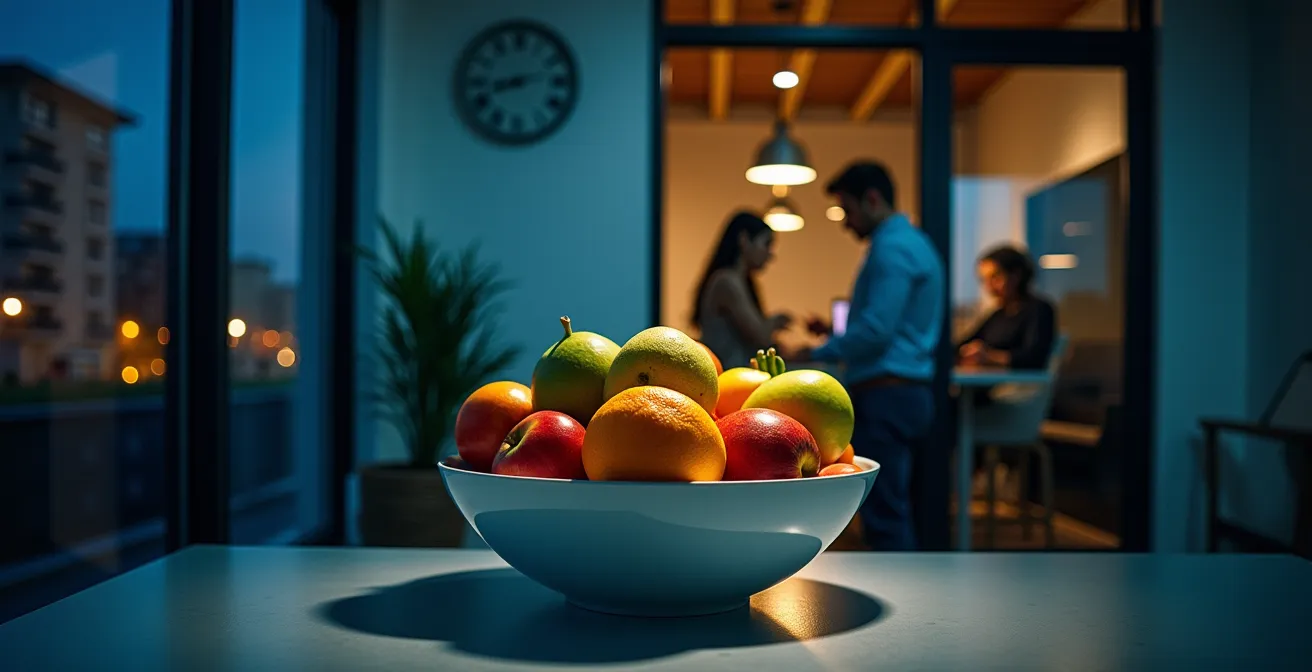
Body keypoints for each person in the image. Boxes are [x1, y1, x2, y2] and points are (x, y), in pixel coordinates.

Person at [799, 161, 945, 551]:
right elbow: (894, 326)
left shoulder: (891, 249)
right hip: (908, 392)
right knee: (902, 507)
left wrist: (816, 351)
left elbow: (878, 332)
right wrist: (835, 335)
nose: (846, 223)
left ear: (873, 199)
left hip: (887, 395)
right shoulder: (916, 243)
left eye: (847, 210)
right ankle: (918, 601)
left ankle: (904, 608)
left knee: (885, 515)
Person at [693, 211, 792, 370]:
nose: (770, 254)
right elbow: (760, 336)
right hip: (727, 379)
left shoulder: (737, 281)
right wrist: (776, 321)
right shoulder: (726, 282)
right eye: (766, 244)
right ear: (744, 240)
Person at [957, 245, 1056, 370]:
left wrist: (989, 357)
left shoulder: (1039, 310)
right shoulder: (998, 315)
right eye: (984, 280)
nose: (989, 287)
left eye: (995, 277)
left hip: (1019, 386)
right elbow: (963, 344)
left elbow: (1033, 357)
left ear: (1016, 275)